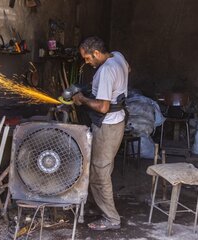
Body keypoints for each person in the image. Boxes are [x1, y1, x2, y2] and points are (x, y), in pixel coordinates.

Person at [72, 36, 129, 231]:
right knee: (104, 168)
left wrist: (82, 99)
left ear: (96, 53)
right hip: (117, 122)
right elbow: (129, 69)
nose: (87, 62)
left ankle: (111, 218)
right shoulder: (117, 57)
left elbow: (103, 107)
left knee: (99, 173)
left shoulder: (106, 70)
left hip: (107, 125)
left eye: (88, 58)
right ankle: (102, 205)